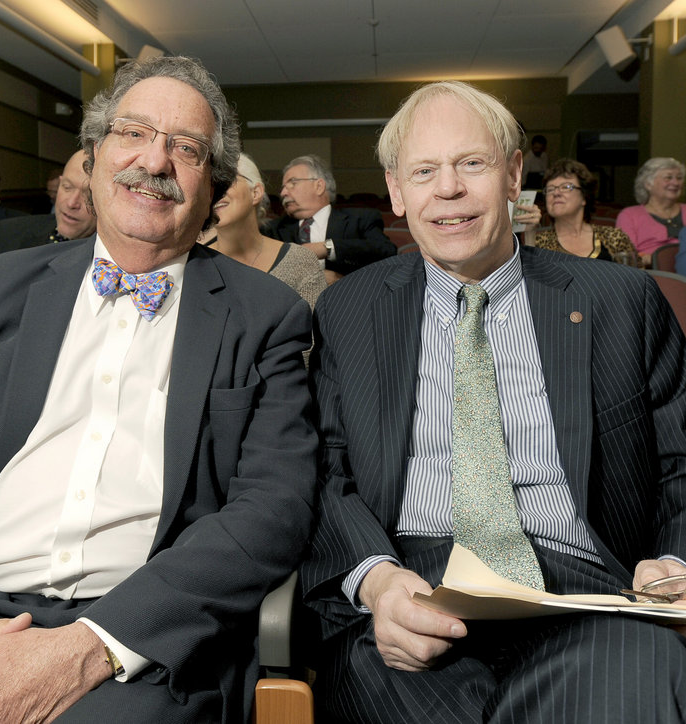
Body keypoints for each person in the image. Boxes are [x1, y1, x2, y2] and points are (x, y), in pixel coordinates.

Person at [0, 55, 316, 724]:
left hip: (135, 647)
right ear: (92, 157)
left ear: (216, 187)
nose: (154, 160)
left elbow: (273, 512)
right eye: (133, 132)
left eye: (187, 148)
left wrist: (87, 649)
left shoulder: (268, 315)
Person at [300, 80, 686, 723]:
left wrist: (675, 561)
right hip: (413, 587)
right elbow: (322, 470)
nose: (447, 189)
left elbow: (681, 460)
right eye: (424, 171)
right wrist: (375, 580)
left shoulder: (623, 302)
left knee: (644, 673)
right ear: (396, 191)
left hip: (584, 591)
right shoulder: (349, 310)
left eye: (470, 164)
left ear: (512, 175)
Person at [207, 152, 326, 312]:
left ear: (255, 193)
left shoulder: (299, 262)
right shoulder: (194, 263)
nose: (216, 192)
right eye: (210, 184)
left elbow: (313, 335)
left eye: (226, 180)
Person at [263, 154, 396, 282]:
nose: (283, 193)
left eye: (292, 183)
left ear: (319, 186)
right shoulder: (273, 229)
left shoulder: (360, 219)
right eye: (283, 187)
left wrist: (327, 248)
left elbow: (386, 251)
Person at [0, 150, 96, 261]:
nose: (71, 203)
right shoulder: (5, 234)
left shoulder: (109, 262)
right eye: (67, 187)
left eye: (89, 195)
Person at [526, 158, 637, 262]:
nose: (556, 193)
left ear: (584, 197)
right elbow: (530, 279)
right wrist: (529, 234)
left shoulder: (614, 238)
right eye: (550, 189)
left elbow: (635, 279)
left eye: (566, 187)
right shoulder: (537, 242)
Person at [616, 157, 686, 267]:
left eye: (679, 178)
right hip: (652, 275)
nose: (676, 182)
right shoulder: (629, 215)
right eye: (668, 177)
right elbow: (626, 258)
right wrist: (652, 258)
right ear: (648, 184)